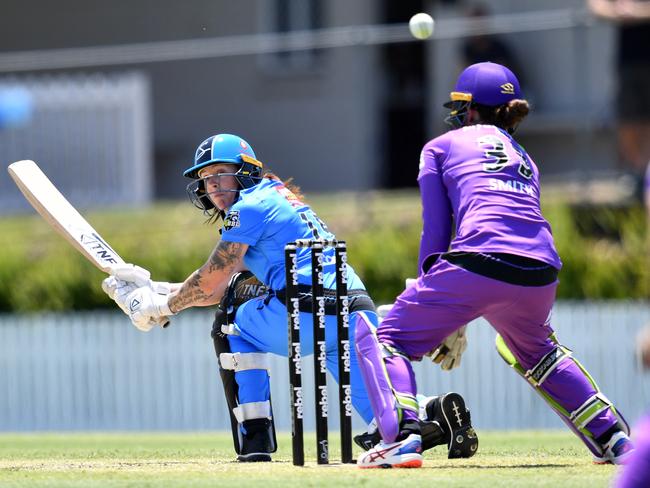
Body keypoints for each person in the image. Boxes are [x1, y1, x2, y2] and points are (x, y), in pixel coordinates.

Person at [102, 133, 478, 463]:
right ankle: (436, 411)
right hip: (353, 310)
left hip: (307, 312)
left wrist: (158, 307)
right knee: (387, 423)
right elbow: (213, 283)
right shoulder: (277, 197)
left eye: (220, 172)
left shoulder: (247, 208)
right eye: (205, 177)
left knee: (231, 317)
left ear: (244, 171)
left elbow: (213, 284)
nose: (213, 185)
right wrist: (152, 290)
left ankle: (256, 440)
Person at [354, 62, 635, 469]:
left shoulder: (441, 146)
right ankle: (615, 438)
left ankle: (402, 437)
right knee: (537, 352)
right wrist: (455, 314)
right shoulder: (524, 157)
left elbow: (436, 234)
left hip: (477, 264)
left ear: (469, 110)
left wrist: (447, 313)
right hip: (540, 271)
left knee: (387, 335)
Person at [587, 0, 650, 203]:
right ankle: (638, 173)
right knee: (629, 118)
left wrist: (636, 12)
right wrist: (620, 12)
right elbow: (596, 7)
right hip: (629, 61)